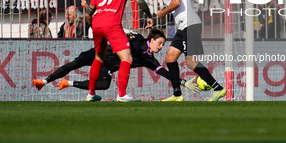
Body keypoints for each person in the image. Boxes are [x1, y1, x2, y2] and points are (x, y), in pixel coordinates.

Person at [32, 29, 201, 96]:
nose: (161, 47)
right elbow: (123, 33)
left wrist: (182, 82)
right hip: (100, 54)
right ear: (152, 39)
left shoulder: (149, 60)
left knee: (104, 85)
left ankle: (67, 83)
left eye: (163, 45)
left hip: (107, 67)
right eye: (160, 43)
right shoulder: (138, 38)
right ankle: (44, 81)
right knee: (75, 63)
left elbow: (164, 73)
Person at [154, 0, 226, 102]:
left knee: (191, 62)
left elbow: (176, 2)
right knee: (170, 57)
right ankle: (177, 94)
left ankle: (218, 88)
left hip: (189, 24)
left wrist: (162, 13)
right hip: (184, 25)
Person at [85, 0, 153, 102]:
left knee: (99, 57)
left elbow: (88, 13)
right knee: (127, 58)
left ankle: (91, 93)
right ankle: (122, 94)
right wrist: (149, 16)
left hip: (97, 25)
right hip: (111, 25)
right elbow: (139, 1)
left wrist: (92, 27)